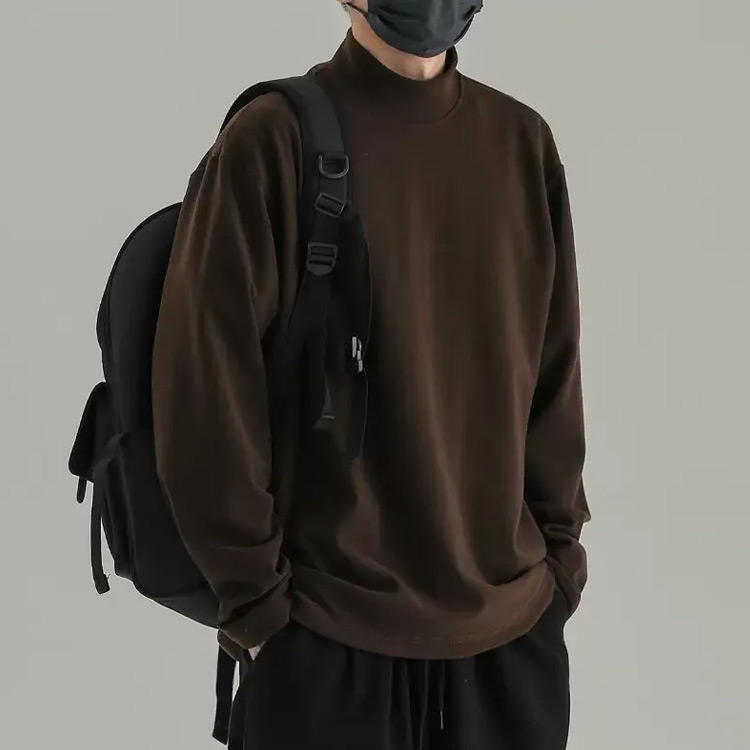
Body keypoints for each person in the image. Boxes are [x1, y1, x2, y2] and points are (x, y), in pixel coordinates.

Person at [152, 1, 591, 748]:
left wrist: (558, 566)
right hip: (326, 639)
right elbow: (204, 392)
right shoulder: (272, 141)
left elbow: (554, 372)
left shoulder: (521, 143)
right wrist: (259, 608)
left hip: (511, 642)